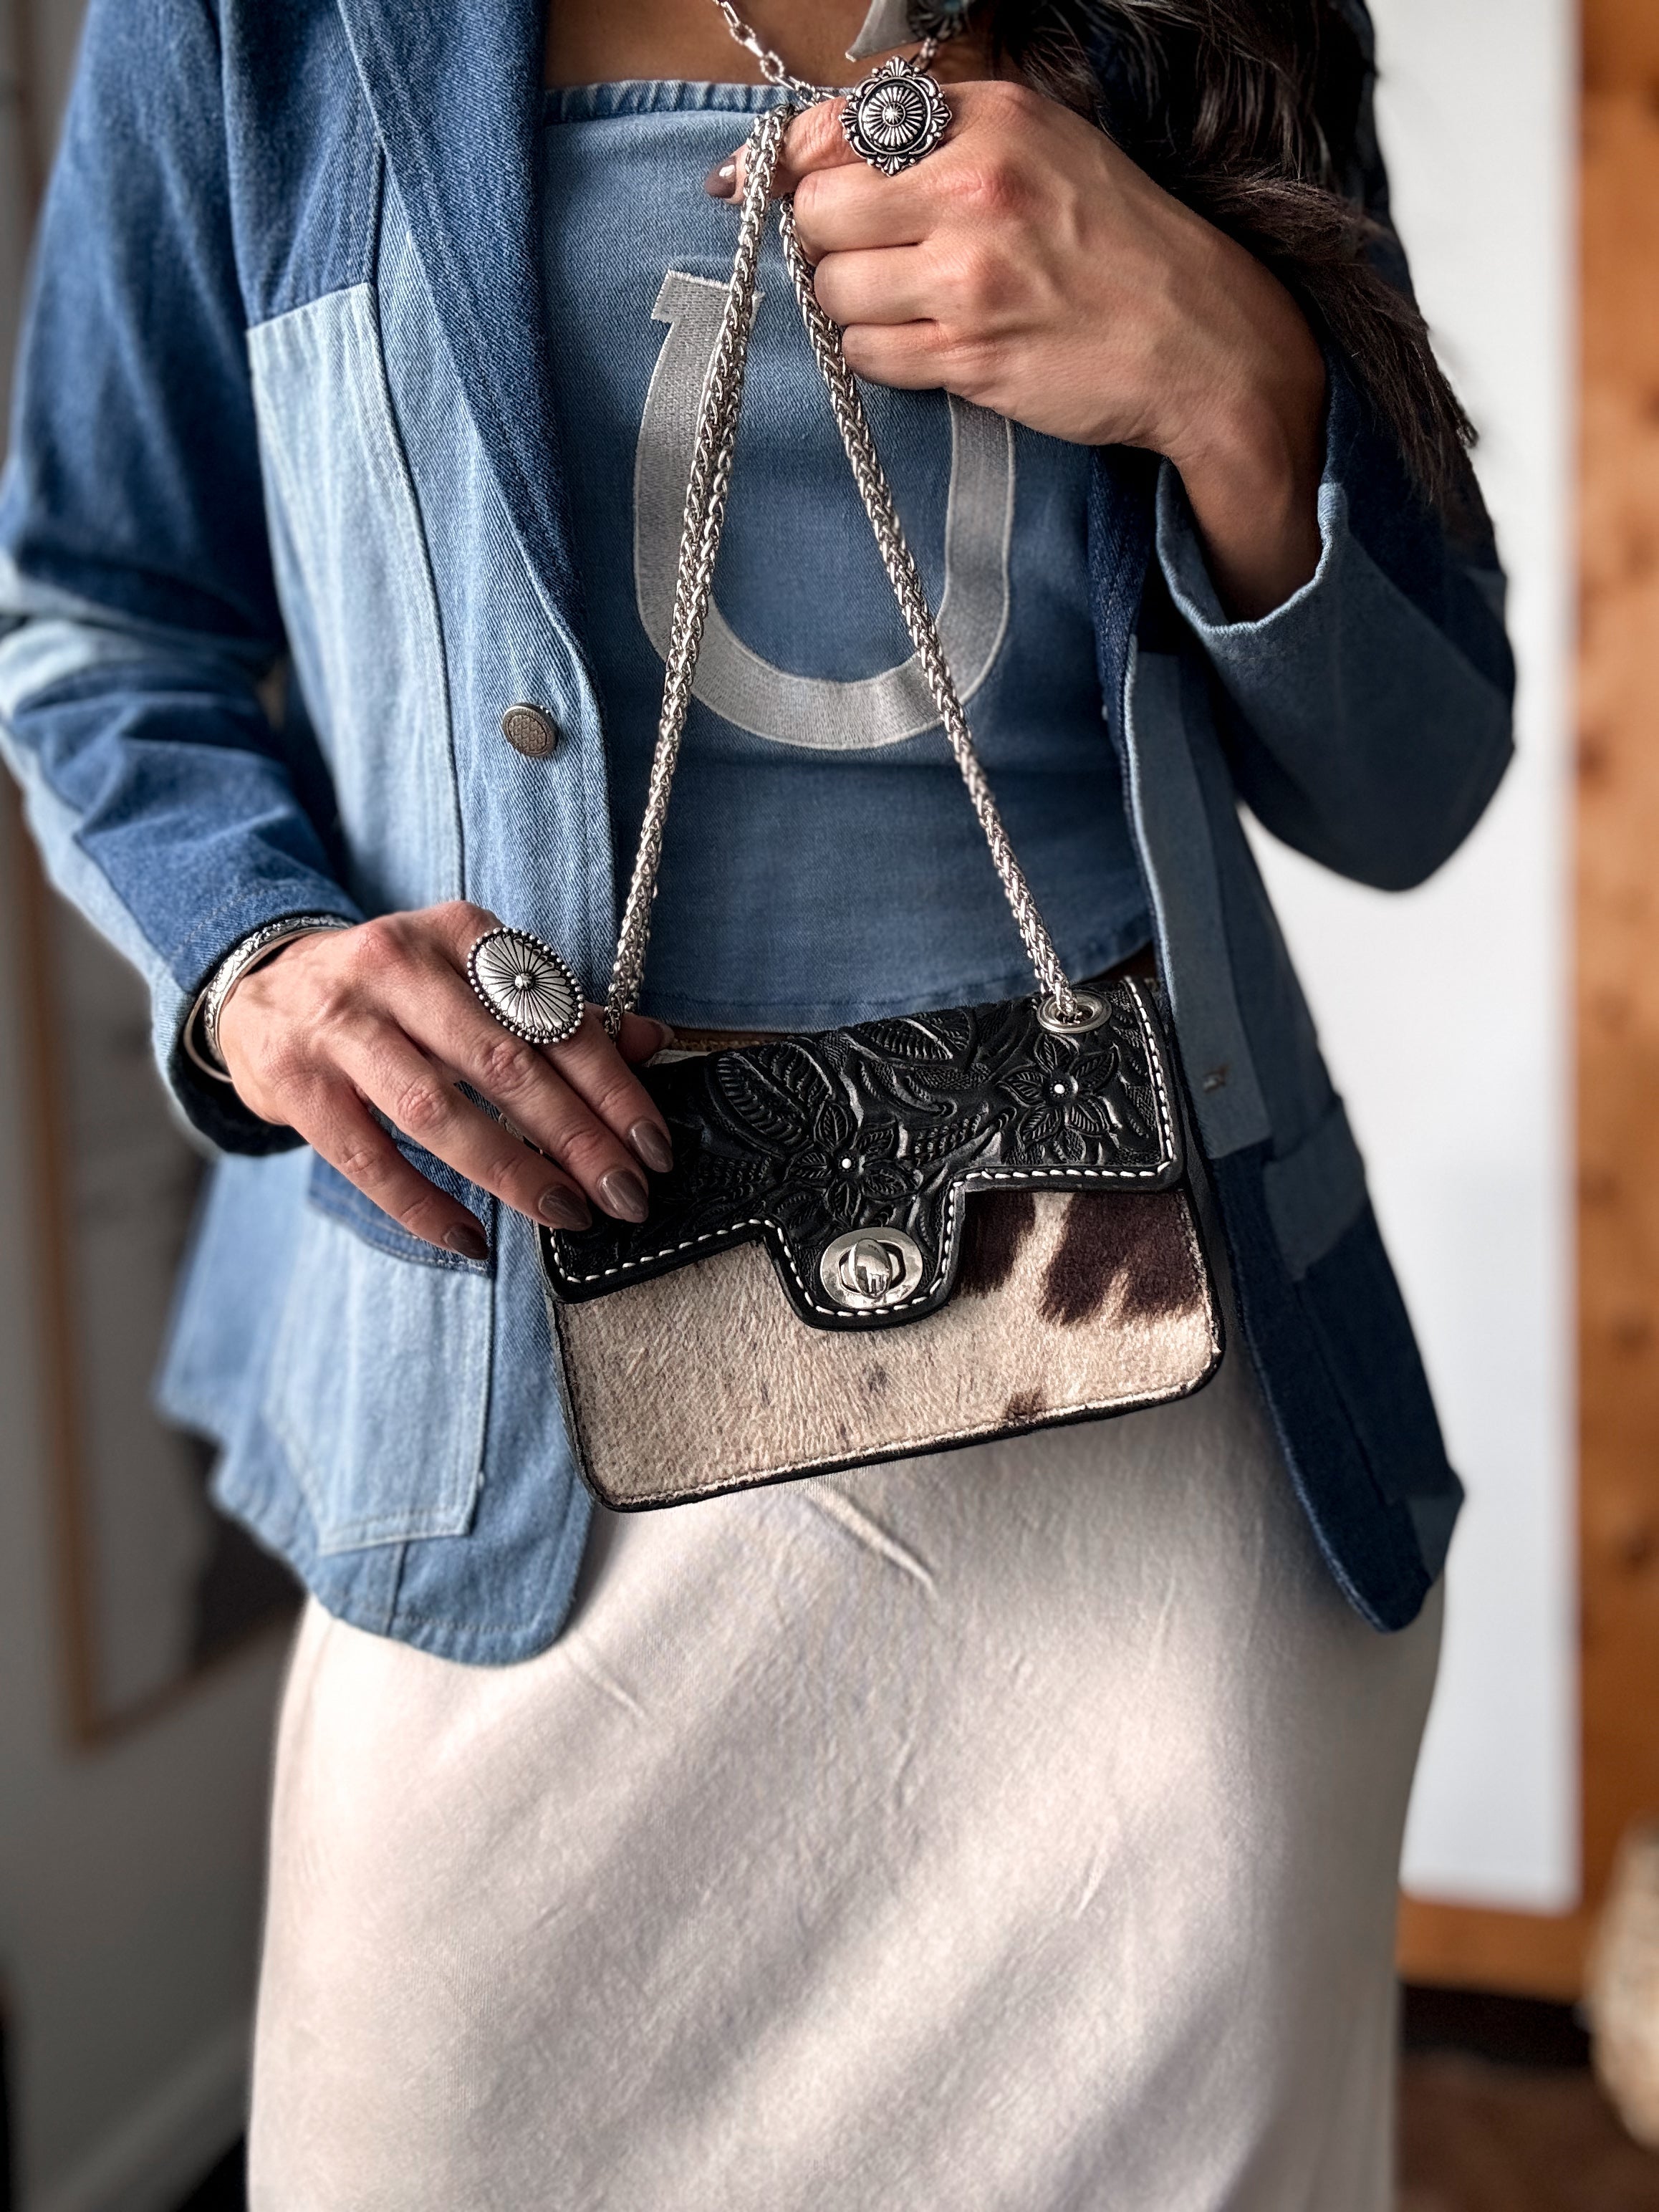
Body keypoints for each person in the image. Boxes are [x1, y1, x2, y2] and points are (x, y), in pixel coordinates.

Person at [0, 0, 1514, 2203]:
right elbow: (96, 621)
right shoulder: (259, 26)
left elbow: (1411, 786)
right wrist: (253, 969)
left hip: (1139, 1467)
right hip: (514, 1454)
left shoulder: (1201, 2)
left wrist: (1225, 368)